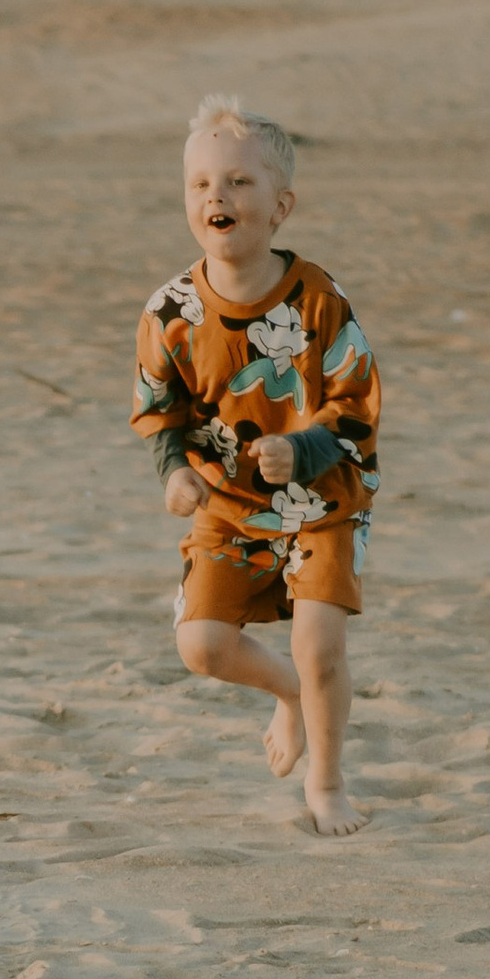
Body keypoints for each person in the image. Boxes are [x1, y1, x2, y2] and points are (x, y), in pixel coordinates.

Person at [132, 96, 381, 838]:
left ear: (281, 206)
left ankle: (328, 782)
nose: (217, 196)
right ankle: (291, 694)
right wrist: (174, 470)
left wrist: (300, 448)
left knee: (320, 646)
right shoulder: (169, 310)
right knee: (201, 646)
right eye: (202, 183)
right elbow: (159, 407)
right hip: (227, 502)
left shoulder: (318, 301)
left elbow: (358, 404)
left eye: (239, 183)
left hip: (323, 499)